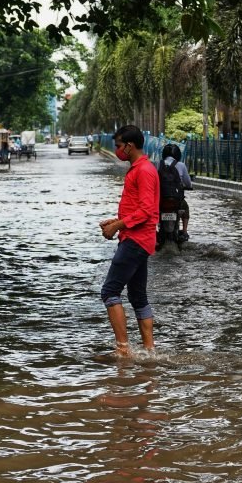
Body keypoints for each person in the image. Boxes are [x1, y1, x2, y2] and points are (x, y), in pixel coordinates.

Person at [99, 125, 160, 357]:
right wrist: (116, 221)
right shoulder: (139, 169)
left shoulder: (143, 170)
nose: (117, 150)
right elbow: (140, 208)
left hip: (136, 239)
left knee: (110, 291)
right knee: (137, 296)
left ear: (129, 146)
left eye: (118, 146)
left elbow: (146, 211)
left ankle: (123, 350)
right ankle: (149, 351)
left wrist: (117, 225)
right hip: (138, 238)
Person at [159, 143, 193, 242]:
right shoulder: (181, 165)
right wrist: (189, 187)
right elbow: (188, 183)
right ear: (178, 155)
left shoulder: (158, 164)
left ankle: (152, 231)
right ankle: (185, 231)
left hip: (160, 202)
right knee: (185, 208)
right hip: (176, 201)